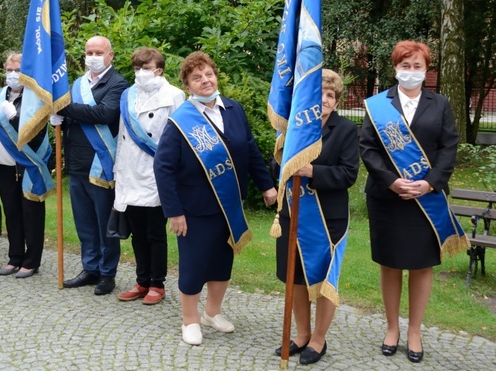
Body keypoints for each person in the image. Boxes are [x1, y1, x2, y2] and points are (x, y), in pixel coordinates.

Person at [154, 51, 277, 346]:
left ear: (216, 77)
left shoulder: (233, 110)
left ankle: (212, 312)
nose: (204, 80)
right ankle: (190, 320)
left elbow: (250, 151)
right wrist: (174, 211)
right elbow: (163, 167)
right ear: (187, 85)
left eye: (208, 74)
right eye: (196, 77)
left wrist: (266, 186)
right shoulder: (180, 121)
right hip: (194, 208)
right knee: (194, 264)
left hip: (229, 203)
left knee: (223, 261)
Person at [359, 40, 467, 363]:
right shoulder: (378, 105)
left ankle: (414, 331)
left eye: (417, 66)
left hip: (426, 199)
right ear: (395, 68)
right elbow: (368, 148)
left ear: (426, 70)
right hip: (387, 198)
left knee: (421, 266)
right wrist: (392, 182)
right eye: (405, 66)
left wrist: (429, 183)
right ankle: (392, 328)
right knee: (390, 264)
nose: (411, 72)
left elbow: (449, 148)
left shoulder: (440, 104)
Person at [273, 69, 359, 365]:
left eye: (330, 95)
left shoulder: (346, 130)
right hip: (292, 213)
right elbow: (277, 170)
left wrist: (312, 171)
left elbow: (349, 174)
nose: (324, 99)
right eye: (319, 93)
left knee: (323, 280)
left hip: (328, 220)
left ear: (336, 100)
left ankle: (319, 339)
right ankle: (301, 334)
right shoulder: (292, 129)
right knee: (294, 278)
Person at [51, 35, 128, 295]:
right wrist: (59, 118)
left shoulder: (118, 83)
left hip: (101, 164)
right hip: (77, 164)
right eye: (89, 52)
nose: (92, 57)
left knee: (105, 225)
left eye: (98, 52)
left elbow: (105, 114)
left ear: (110, 55)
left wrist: (66, 108)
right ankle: (90, 267)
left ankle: (107, 273)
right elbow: (75, 118)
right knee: (84, 223)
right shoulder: (77, 83)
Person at [114, 48, 184, 304]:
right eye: (137, 68)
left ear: (159, 69)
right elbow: (122, 136)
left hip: (157, 172)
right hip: (130, 171)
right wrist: (118, 172)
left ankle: (157, 283)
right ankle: (141, 280)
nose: (141, 73)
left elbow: (179, 139)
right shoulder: (127, 95)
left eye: (146, 67)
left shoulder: (175, 95)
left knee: (155, 231)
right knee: (136, 231)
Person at [0, 53, 53, 278]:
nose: (13, 74)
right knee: (12, 212)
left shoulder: (36, 97)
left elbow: (36, 134)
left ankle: (31, 261)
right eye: (9, 69)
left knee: (31, 213)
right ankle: (15, 257)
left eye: (18, 70)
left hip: (26, 164)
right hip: (3, 165)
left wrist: (14, 118)